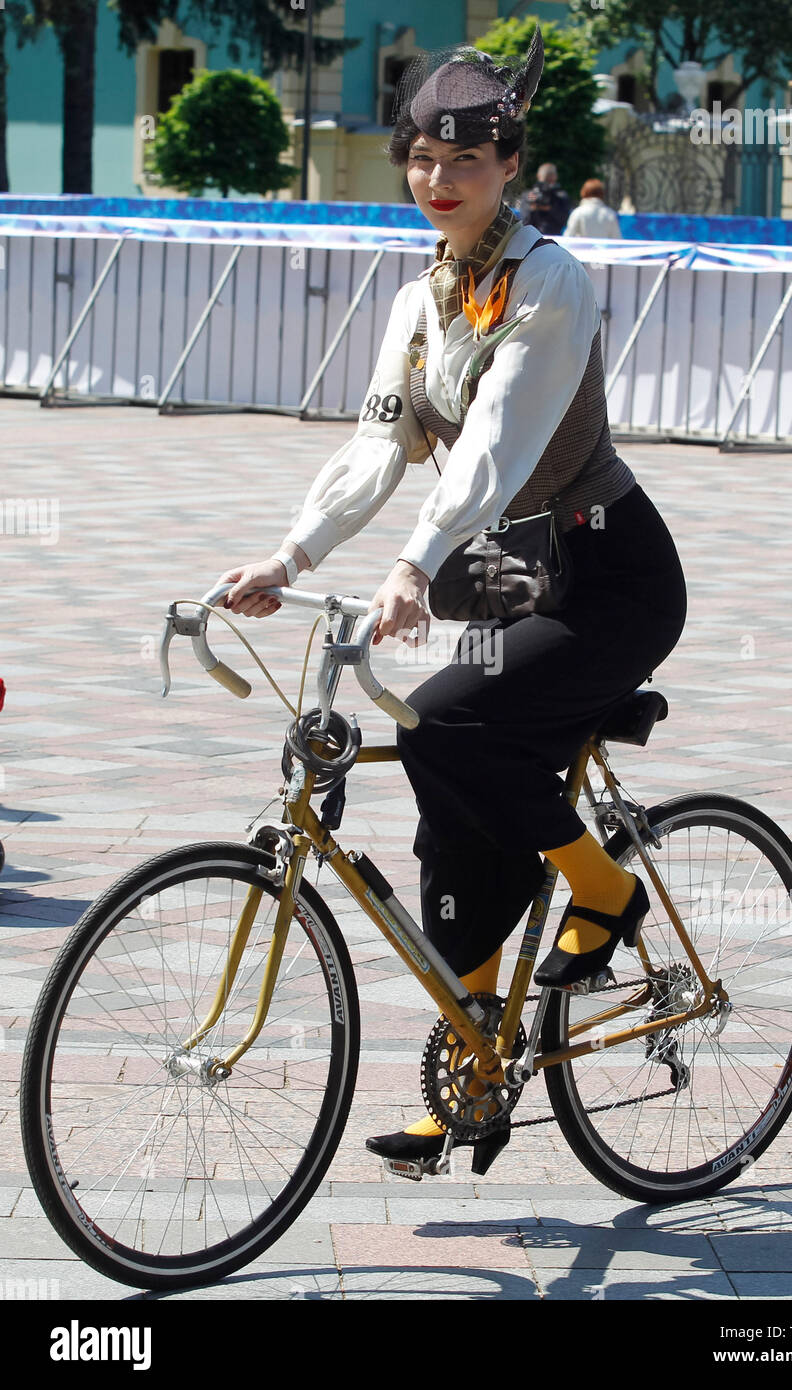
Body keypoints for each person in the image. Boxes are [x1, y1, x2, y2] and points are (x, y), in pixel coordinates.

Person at [218, 26, 687, 1170]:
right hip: (509, 570)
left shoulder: (551, 279)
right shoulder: (418, 299)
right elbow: (379, 449)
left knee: (456, 726)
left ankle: (602, 889)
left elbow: (492, 445)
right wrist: (290, 556)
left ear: (505, 166)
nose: (438, 181)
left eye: (463, 163)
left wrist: (415, 564)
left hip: (608, 569)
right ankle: (473, 1067)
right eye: (423, 160)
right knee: (446, 789)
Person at [517, 161, 572, 235]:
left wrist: (550, 208)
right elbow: (524, 221)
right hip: (534, 236)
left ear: (538, 176)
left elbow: (565, 220)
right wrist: (532, 208)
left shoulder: (559, 196)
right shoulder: (530, 196)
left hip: (552, 236)